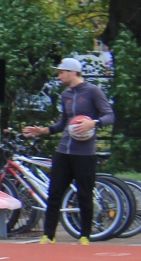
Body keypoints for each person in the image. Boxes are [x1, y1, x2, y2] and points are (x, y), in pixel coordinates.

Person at [22, 56, 114, 244]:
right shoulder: (65, 95)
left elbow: (110, 115)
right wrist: (43, 131)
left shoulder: (93, 91)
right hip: (64, 152)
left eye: (61, 72)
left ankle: (85, 235)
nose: (59, 75)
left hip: (85, 153)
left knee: (84, 194)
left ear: (72, 72)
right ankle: (49, 235)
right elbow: (64, 123)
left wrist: (93, 123)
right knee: (54, 192)